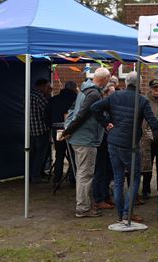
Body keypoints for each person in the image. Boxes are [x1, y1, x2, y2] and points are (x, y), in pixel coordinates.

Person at [91, 71, 158, 224]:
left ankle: (122, 214)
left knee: (119, 178)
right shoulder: (142, 100)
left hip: (113, 142)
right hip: (130, 144)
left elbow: (94, 108)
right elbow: (153, 122)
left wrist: (106, 123)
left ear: (126, 83)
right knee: (133, 179)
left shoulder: (114, 96)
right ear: (138, 84)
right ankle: (127, 214)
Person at [61, 68, 110, 218]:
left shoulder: (84, 90)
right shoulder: (94, 94)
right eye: (108, 80)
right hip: (85, 139)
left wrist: (68, 129)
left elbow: (72, 112)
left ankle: (84, 205)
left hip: (80, 138)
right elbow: (82, 115)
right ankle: (83, 208)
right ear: (105, 79)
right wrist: (67, 131)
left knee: (83, 173)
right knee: (85, 174)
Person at [47, 81, 77, 186]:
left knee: (59, 155)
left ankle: (57, 179)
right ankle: (73, 179)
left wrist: (51, 126)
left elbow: (46, 116)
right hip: (73, 131)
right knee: (73, 155)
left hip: (57, 130)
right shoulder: (77, 99)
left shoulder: (53, 100)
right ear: (74, 89)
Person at [92, 83, 116, 210]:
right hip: (101, 142)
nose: (114, 95)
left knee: (108, 170)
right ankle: (98, 199)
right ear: (105, 93)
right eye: (111, 93)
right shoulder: (101, 107)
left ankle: (106, 196)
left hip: (108, 142)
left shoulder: (109, 107)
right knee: (100, 171)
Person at [141, 79, 158, 200]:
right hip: (147, 137)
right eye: (154, 88)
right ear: (150, 88)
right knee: (147, 164)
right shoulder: (145, 100)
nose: (156, 90)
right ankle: (145, 190)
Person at [30, 78, 52, 183]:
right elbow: (48, 110)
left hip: (30, 130)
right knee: (40, 154)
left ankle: (31, 174)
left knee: (32, 154)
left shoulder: (28, 95)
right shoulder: (40, 97)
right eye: (48, 87)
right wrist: (48, 96)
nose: (49, 89)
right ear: (42, 86)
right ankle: (36, 175)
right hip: (41, 129)